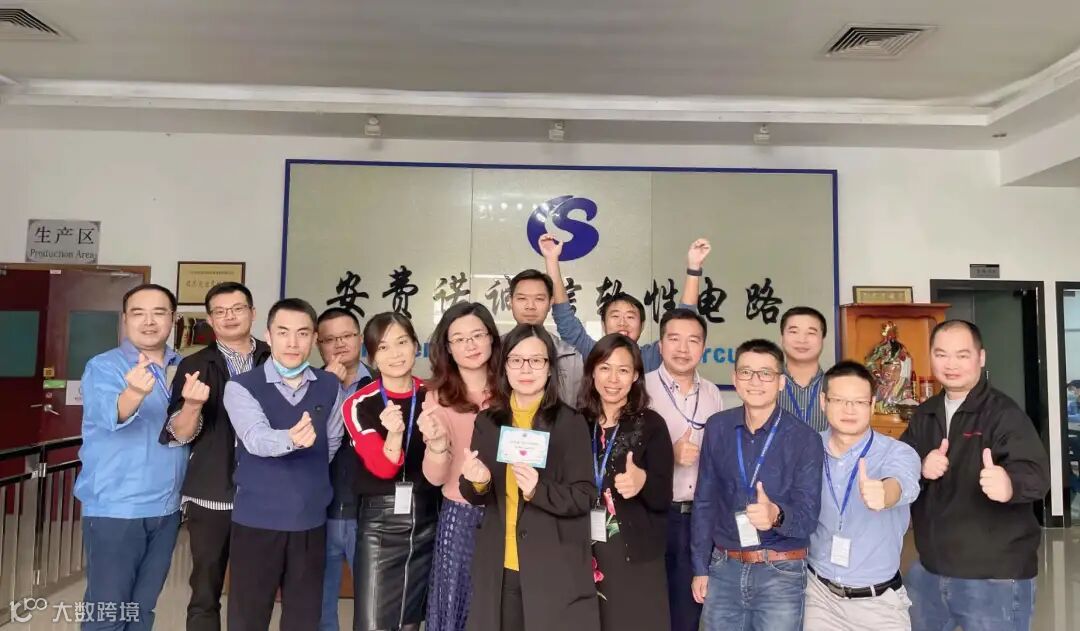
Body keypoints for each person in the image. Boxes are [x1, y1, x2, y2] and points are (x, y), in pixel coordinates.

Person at [900, 320, 1050, 631]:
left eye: (962, 355)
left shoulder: (1004, 414)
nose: (951, 364)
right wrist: (920, 468)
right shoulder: (925, 414)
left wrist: (1009, 484)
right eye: (941, 354)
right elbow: (899, 467)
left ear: (981, 358)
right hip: (930, 572)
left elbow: (1037, 474)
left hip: (993, 579)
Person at [459, 324, 599, 631]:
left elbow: (585, 495)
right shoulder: (488, 422)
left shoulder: (570, 423)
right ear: (504, 367)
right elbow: (474, 493)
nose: (526, 368)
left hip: (553, 570)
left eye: (536, 360)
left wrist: (538, 490)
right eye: (516, 360)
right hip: (501, 566)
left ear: (549, 368)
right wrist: (477, 481)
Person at [224, 298, 346, 631]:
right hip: (256, 522)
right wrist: (292, 440)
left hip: (309, 522)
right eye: (283, 332)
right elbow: (254, 438)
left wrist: (306, 463)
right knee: (248, 619)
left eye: (302, 333)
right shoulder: (241, 386)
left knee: (304, 619)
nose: (293, 342)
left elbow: (331, 442)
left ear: (314, 338)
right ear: (268, 335)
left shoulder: (329, 385)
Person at [75, 283, 188, 631]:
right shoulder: (104, 366)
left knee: (141, 611)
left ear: (173, 319)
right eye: (138, 313)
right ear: (125, 319)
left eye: (159, 313)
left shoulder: (183, 367)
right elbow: (113, 414)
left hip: (166, 509)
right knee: (108, 613)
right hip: (117, 509)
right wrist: (135, 391)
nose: (149, 321)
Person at [691, 338, 824, 631]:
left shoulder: (805, 439)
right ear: (735, 379)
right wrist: (700, 567)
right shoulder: (717, 427)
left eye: (766, 373)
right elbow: (704, 501)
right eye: (746, 372)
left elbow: (808, 517)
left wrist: (776, 515)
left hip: (781, 571)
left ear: (781, 382)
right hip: (724, 566)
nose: (755, 381)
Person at [160, 282, 270, 631]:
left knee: (254, 590)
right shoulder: (194, 365)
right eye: (220, 311)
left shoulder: (276, 359)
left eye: (237, 309)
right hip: (212, 494)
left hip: (266, 495)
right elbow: (178, 433)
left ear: (252, 313)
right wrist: (193, 405)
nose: (229, 316)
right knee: (205, 588)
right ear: (210, 320)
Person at [805, 361, 921, 631]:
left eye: (858, 402)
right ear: (823, 402)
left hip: (878, 604)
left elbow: (903, 482)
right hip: (818, 598)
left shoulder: (897, 452)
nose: (849, 410)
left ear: (872, 404)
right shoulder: (807, 449)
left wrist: (885, 493)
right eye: (839, 400)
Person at [342, 312, 439, 631]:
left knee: (411, 622)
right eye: (383, 347)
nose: (395, 354)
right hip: (381, 525)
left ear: (416, 346)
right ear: (371, 357)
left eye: (402, 343)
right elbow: (382, 468)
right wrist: (394, 434)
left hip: (430, 518)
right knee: (373, 623)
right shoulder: (359, 403)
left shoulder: (435, 396)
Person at [579, 334, 674, 631]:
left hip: (634, 556)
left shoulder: (651, 424)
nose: (613, 379)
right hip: (582, 553)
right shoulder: (576, 422)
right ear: (592, 371)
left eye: (623, 370)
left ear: (635, 376)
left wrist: (643, 481)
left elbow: (663, 498)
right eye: (605, 368)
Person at [421, 302, 501, 631]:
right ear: (448, 348)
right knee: (456, 607)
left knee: (502, 605)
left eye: (477, 335)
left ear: (491, 338)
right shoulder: (438, 397)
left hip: (510, 511)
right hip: (462, 515)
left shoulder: (512, 387)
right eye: (459, 339)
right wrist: (438, 445)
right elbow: (435, 477)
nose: (470, 345)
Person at [645, 308, 724, 631]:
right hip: (653, 514)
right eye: (674, 339)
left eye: (693, 340)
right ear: (660, 345)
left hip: (698, 519)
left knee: (688, 612)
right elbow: (623, 456)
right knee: (649, 608)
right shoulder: (642, 389)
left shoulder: (712, 393)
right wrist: (669, 455)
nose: (682, 348)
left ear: (703, 347)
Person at [539, 233, 712, 372]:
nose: (623, 323)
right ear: (603, 324)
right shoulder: (591, 353)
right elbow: (565, 318)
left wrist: (694, 268)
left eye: (630, 317)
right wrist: (551, 259)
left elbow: (685, 321)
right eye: (615, 316)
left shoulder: (652, 357)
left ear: (642, 326)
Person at [315, 308, 374, 631]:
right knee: (319, 600)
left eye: (347, 336)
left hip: (368, 512)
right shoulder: (305, 386)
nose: (339, 344)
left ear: (360, 338)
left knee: (372, 602)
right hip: (317, 511)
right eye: (330, 339)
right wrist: (326, 387)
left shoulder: (381, 384)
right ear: (318, 345)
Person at [507, 268, 583, 405]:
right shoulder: (494, 349)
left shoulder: (570, 355)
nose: (530, 306)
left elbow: (577, 407)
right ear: (510, 301)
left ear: (550, 302)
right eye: (522, 298)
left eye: (539, 299)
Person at [778, 306, 830, 433]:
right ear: (782, 338)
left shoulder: (837, 386)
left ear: (823, 340)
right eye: (793, 332)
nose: (802, 340)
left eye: (811, 333)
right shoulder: (766, 385)